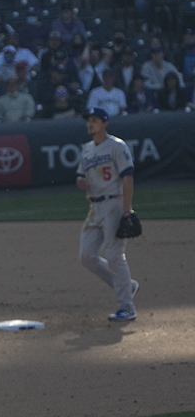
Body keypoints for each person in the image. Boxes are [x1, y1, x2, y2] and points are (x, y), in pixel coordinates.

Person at [75, 107, 139, 323]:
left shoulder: (117, 146)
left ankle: (127, 308)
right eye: (89, 120)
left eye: (95, 120)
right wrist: (81, 183)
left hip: (114, 203)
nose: (90, 124)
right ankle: (126, 286)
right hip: (95, 207)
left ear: (105, 123)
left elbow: (128, 178)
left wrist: (126, 209)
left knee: (114, 255)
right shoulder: (86, 149)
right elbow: (80, 178)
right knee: (87, 256)